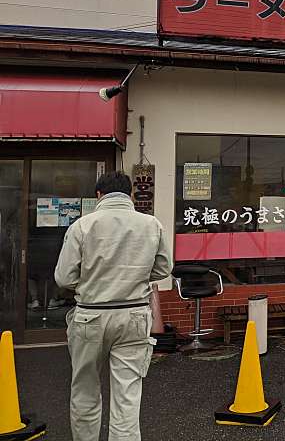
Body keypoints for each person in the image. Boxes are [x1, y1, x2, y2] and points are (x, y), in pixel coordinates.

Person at [55, 171, 173, 441]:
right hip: (133, 315)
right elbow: (164, 268)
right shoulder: (151, 224)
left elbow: (63, 277)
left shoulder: (83, 225)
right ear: (130, 194)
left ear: (99, 195)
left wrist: (90, 282)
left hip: (90, 315)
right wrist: (135, 277)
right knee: (127, 397)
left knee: (85, 391)